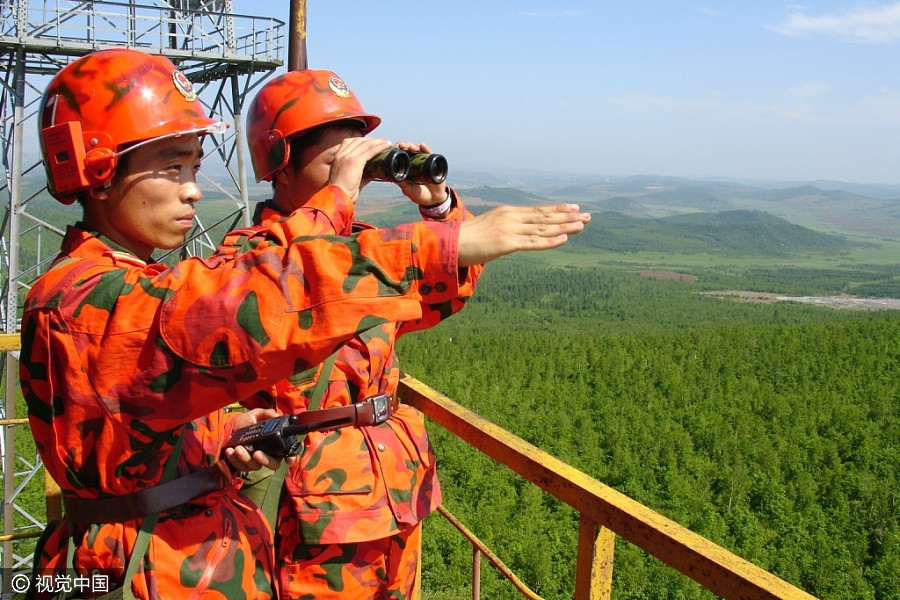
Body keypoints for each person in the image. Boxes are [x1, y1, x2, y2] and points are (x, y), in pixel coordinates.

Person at [21, 49, 589, 600]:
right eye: (174, 167)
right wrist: (414, 231)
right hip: (277, 517)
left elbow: (432, 296)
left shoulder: (136, 281)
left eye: (194, 167)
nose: (193, 188)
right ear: (282, 163)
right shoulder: (172, 279)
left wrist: (439, 211)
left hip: (370, 494)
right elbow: (268, 294)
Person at [232, 69, 591, 599]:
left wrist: (437, 207)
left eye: (359, 160)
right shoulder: (245, 259)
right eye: (337, 161)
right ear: (281, 164)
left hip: (394, 491)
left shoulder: (365, 245)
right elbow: (297, 283)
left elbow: (443, 294)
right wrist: (337, 198)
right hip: (309, 512)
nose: (354, 177)